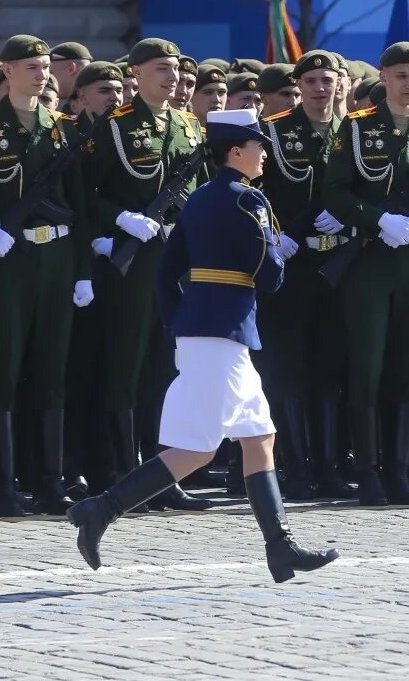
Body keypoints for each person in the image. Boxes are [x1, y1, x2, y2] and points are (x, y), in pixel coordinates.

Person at [68, 109, 338, 583]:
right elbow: (270, 276)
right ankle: (101, 509)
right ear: (237, 151)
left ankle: (280, 547)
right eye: (257, 146)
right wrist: (274, 245)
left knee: (259, 436)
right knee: (197, 449)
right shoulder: (248, 201)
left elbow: (166, 273)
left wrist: (181, 324)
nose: (264, 153)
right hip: (223, 333)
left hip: (207, 330)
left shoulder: (197, 201)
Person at [0, 34, 95, 516]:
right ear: (8, 71)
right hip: (7, 257)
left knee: (52, 371)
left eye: (45, 67)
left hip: (55, 255)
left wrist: (81, 270)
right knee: (6, 370)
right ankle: (0, 482)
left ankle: (49, 481)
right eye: (31, 67)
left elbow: (80, 203)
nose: (41, 74)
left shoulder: (63, 127)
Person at [323, 41, 409, 505]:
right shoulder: (357, 129)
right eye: (401, 75)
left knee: (407, 367)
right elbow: (336, 192)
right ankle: (368, 473)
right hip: (369, 262)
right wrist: (377, 219)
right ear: (384, 78)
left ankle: (399, 473)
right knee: (368, 365)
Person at [82, 38, 210, 511]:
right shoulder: (114, 128)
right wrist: (118, 219)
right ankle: (121, 475)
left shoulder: (187, 126)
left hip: (176, 262)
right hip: (133, 263)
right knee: (127, 366)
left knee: (167, 369)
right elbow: (85, 193)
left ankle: (162, 475)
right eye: (160, 68)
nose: (171, 76)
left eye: (175, 69)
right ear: (135, 73)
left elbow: (197, 192)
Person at [257, 50, 353, 500]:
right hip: (290, 264)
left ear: (341, 83)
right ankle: (295, 466)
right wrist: (273, 236)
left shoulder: (353, 132)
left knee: (330, 366)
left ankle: (329, 465)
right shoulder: (275, 134)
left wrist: (352, 223)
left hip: (338, 265)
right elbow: (252, 194)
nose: (319, 88)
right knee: (288, 368)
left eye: (327, 80)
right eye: (310, 81)